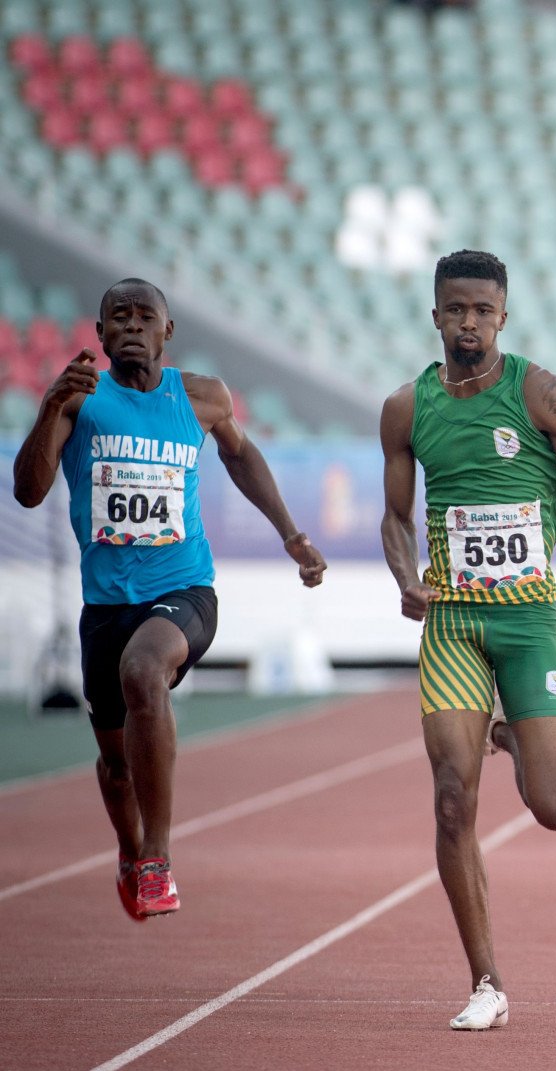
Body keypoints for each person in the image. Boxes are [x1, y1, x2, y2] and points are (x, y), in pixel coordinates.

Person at [10, 278, 327, 920]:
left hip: (183, 590)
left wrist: (291, 533)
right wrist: (49, 406)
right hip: (105, 606)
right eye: (116, 318)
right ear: (99, 337)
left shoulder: (202, 398)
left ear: (167, 331)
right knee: (115, 764)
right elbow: (27, 492)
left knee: (144, 670)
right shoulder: (81, 401)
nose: (130, 325)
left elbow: (242, 456)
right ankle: (129, 850)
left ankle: (157, 855)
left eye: (143, 315)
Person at [379, 250, 556, 1031]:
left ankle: (513, 737)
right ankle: (486, 980)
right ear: (435, 315)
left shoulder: (543, 394)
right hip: (452, 621)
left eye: (482, 311)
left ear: (503, 316)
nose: (468, 323)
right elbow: (395, 516)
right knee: (453, 799)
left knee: (554, 807)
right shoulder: (405, 407)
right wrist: (405, 576)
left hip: (528, 621)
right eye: (455, 309)